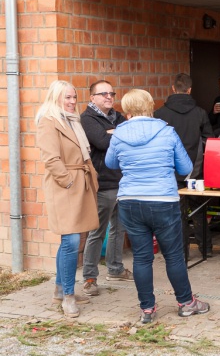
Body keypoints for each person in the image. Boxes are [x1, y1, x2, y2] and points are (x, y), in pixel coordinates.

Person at [105, 89, 210, 324]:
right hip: (163, 200)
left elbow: (110, 163)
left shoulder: (119, 133)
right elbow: (185, 168)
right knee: (173, 256)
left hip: (131, 201)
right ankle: (186, 303)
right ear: (151, 106)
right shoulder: (166, 131)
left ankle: (147, 310)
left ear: (126, 110)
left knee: (142, 258)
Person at [36, 80, 100, 318]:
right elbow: (51, 159)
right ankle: (69, 297)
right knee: (71, 241)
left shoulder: (72, 120)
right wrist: (69, 181)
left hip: (79, 182)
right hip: (65, 186)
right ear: (56, 98)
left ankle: (60, 289)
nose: (73, 102)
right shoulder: (48, 122)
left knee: (71, 240)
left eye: (74, 97)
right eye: (67, 98)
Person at [80, 80, 132, 297]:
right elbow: (102, 142)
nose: (109, 97)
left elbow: (128, 137)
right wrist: (112, 134)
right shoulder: (87, 118)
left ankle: (115, 268)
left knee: (119, 228)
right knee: (97, 231)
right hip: (103, 183)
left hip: (122, 181)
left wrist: (113, 132)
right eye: (103, 94)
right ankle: (90, 277)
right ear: (92, 98)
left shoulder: (118, 117)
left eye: (112, 93)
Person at [154, 73, 214, 258]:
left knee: (176, 214)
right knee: (198, 210)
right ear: (189, 90)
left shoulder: (159, 114)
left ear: (173, 89)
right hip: (194, 171)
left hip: (169, 171)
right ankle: (206, 248)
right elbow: (209, 140)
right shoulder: (200, 112)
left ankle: (181, 254)